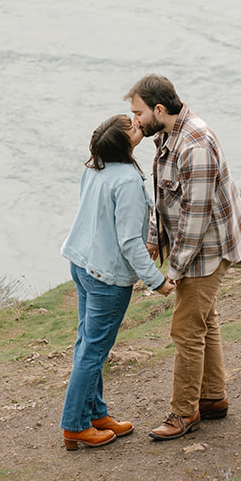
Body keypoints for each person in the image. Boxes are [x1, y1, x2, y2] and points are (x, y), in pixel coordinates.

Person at [126, 74, 241, 440]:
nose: (134, 120)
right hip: (199, 242)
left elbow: (195, 218)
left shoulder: (194, 146)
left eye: (137, 112)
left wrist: (175, 270)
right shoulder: (167, 133)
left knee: (185, 328)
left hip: (209, 247)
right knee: (204, 318)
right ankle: (213, 398)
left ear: (159, 109)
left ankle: (184, 413)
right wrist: (154, 238)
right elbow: (165, 196)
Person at [59, 114, 175, 450]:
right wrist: (157, 282)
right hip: (105, 276)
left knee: (87, 345)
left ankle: (95, 414)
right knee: (93, 351)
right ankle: (75, 425)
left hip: (81, 263)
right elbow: (129, 242)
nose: (140, 125)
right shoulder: (126, 181)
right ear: (125, 145)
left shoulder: (95, 167)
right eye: (135, 128)